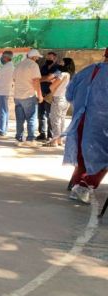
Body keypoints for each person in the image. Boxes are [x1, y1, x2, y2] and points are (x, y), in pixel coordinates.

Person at [63, 48, 108, 204]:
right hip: (103, 126)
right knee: (103, 159)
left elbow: (69, 94)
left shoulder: (89, 70)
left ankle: (77, 185)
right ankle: (83, 186)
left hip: (82, 121)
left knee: (83, 155)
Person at [13, 49, 44, 147]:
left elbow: (14, 79)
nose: (38, 59)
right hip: (28, 95)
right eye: (37, 57)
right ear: (34, 57)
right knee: (31, 118)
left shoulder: (19, 65)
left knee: (19, 119)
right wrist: (40, 95)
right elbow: (36, 81)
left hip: (17, 96)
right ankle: (30, 139)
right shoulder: (33, 65)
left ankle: (19, 138)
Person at [43, 57, 75, 147]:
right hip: (66, 99)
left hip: (58, 99)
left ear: (66, 64)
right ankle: (60, 140)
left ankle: (54, 141)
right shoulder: (71, 75)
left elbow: (52, 87)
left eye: (62, 62)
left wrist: (53, 93)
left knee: (55, 120)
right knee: (61, 119)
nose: (60, 64)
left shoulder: (63, 74)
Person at [37, 52, 61, 141]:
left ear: (55, 58)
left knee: (50, 115)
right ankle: (42, 134)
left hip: (50, 95)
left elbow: (48, 78)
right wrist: (46, 78)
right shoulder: (43, 67)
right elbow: (39, 78)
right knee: (40, 115)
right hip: (41, 93)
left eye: (50, 58)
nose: (48, 59)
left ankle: (50, 135)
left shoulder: (58, 68)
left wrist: (44, 78)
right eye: (47, 58)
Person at [0, 51, 14, 137]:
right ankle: (3, 129)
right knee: (4, 110)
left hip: (1, 91)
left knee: (2, 111)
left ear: (6, 57)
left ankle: (1, 130)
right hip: (2, 91)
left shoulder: (8, 66)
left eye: (3, 57)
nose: (2, 59)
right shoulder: (8, 66)